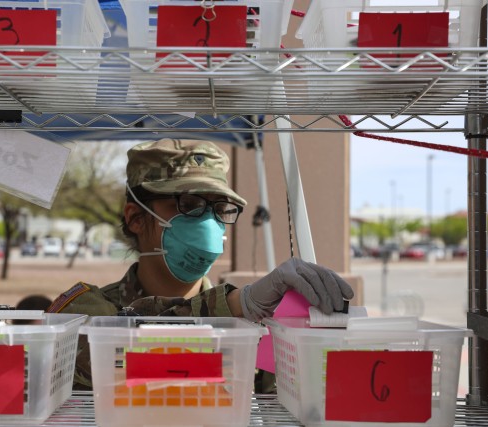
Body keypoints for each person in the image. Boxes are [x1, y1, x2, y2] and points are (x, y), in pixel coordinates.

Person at [48, 138, 354, 390]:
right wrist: (237, 306)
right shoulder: (85, 312)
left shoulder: (257, 325)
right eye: (189, 205)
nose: (209, 221)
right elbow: (113, 346)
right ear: (135, 218)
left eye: (219, 208)